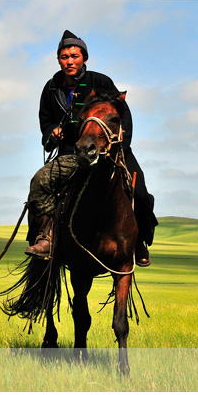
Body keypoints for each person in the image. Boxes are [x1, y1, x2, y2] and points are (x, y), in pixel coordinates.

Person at [25, 30, 157, 266]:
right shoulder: (51, 88)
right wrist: (52, 132)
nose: (69, 61)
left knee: (139, 193)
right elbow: (45, 121)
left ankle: (139, 241)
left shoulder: (100, 82)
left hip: (112, 151)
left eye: (74, 56)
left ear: (84, 58)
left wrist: (120, 147)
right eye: (64, 56)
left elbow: (121, 113)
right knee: (40, 182)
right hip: (72, 154)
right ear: (59, 60)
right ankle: (45, 236)